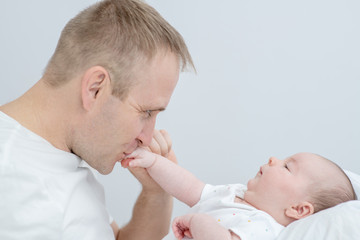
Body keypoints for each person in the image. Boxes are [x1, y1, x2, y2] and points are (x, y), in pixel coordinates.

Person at [0, 0, 194, 239]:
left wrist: (157, 192)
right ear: (95, 88)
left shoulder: (49, 158)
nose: (146, 138)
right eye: (146, 112)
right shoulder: (25, 198)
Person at [123, 147, 357, 240]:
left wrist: (198, 222)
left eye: (286, 166)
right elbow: (191, 187)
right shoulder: (236, 193)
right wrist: (154, 163)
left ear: (298, 209)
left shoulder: (264, 228)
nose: (274, 159)